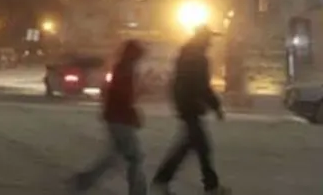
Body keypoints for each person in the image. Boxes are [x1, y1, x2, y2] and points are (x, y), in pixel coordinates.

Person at [152, 26, 229, 195]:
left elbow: (184, 82)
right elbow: (202, 86)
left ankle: (162, 180)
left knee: (189, 146)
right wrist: (216, 106)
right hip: (191, 106)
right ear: (204, 39)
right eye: (209, 39)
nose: (211, 43)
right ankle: (210, 187)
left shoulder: (186, 53)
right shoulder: (198, 58)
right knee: (202, 147)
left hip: (185, 104)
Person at [68, 39, 148, 195]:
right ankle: (138, 191)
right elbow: (124, 98)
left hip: (115, 118)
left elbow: (115, 94)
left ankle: (83, 181)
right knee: (134, 157)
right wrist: (133, 115)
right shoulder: (126, 70)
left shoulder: (122, 68)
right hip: (121, 120)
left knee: (114, 157)